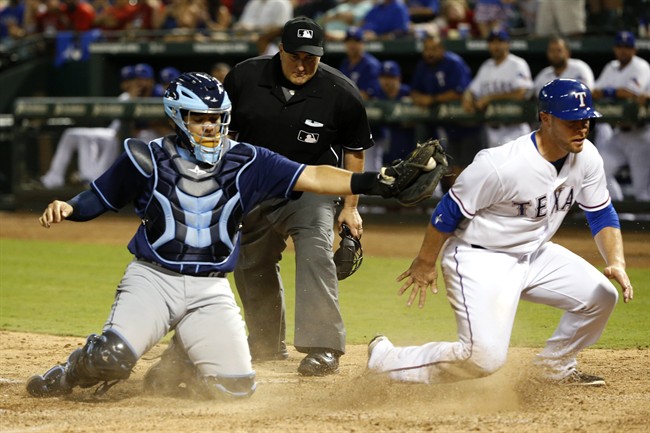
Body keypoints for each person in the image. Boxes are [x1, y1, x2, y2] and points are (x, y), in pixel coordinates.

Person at [26, 71, 414, 399]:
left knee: (235, 389)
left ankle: (179, 363)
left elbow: (314, 175)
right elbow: (99, 197)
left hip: (210, 289)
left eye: (217, 117)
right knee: (110, 357)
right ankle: (68, 373)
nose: (210, 126)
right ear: (178, 117)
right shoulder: (146, 158)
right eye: (199, 118)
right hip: (153, 280)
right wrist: (71, 208)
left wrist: (377, 182)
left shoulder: (248, 160)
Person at [367, 78, 634, 387]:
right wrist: (425, 262)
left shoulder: (587, 157)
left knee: (601, 297)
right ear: (545, 119)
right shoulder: (502, 165)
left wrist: (616, 260)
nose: (582, 127)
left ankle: (553, 366)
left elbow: (601, 212)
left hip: (534, 254)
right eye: (572, 120)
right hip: (480, 258)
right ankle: (386, 360)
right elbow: (448, 211)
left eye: (586, 119)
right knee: (481, 358)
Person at [222, 16, 373, 376]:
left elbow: (354, 150)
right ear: (281, 50)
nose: (303, 64)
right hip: (255, 186)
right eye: (296, 56)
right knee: (251, 262)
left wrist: (350, 208)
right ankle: (264, 344)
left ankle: (324, 347)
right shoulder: (245, 77)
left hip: (312, 187)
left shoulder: (340, 91)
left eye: (312, 57)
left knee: (315, 250)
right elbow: (222, 132)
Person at [39, 64, 147, 189]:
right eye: (128, 81)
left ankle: (90, 178)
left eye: (133, 81)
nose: (130, 84)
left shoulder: (146, 97)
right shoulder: (125, 97)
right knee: (75, 135)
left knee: (92, 138)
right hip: (112, 133)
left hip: (121, 137)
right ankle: (56, 178)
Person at [410, 34, 478, 188]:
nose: (430, 53)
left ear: (442, 49)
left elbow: (460, 91)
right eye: (427, 49)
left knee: (467, 172)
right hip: (448, 127)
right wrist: (421, 98)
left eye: (434, 49)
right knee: (451, 172)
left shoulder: (453, 63)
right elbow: (414, 91)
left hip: (467, 125)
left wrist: (432, 99)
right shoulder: (423, 65)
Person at [592, 31, 650, 202]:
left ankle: (644, 226)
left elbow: (631, 93)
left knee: (642, 190)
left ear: (634, 50)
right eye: (620, 47)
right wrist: (615, 92)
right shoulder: (611, 67)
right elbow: (595, 92)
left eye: (627, 47)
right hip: (619, 134)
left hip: (641, 134)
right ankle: (620, 212)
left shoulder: (641, 66)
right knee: (598, 173)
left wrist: (609, 92)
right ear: (614, 49)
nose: (623, 51)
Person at [461, 28, 533, 148]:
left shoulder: (517, 64)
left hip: (515, 130)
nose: (496, 46)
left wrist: (490, 98)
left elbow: (522, 93)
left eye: (500, 41)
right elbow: (471, 90)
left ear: (507, 44)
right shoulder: (486, 66)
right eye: (492, 42)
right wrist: (467, 98)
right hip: (492, 131)